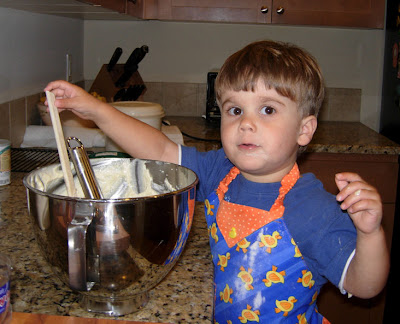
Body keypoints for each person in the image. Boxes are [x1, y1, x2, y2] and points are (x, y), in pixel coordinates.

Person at [45, 40, 389, 323]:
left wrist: (370, 234)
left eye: (267, 110)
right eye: (235, 110)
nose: (246, 123)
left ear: (304, 130)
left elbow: (364, 285)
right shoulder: (219, 172)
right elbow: (162, 150)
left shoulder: (312, 208)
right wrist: (96, 111)